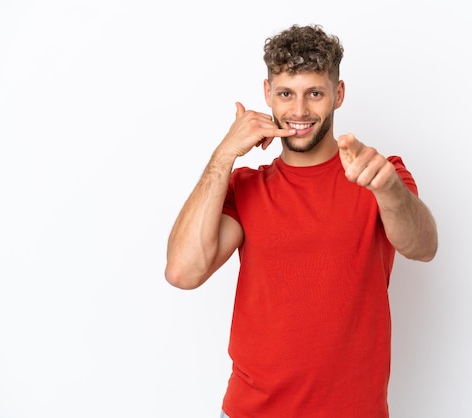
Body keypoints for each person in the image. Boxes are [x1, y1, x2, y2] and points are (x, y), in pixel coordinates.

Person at [164, 24, 438, 418]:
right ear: (267, 94)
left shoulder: (380, 174)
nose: (299, 112)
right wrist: (224, 155)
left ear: (337, 95)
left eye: (315, 93)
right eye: (286, 94)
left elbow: (423, 247)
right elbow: (182, 272)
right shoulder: (245, 187)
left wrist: (389, 191)